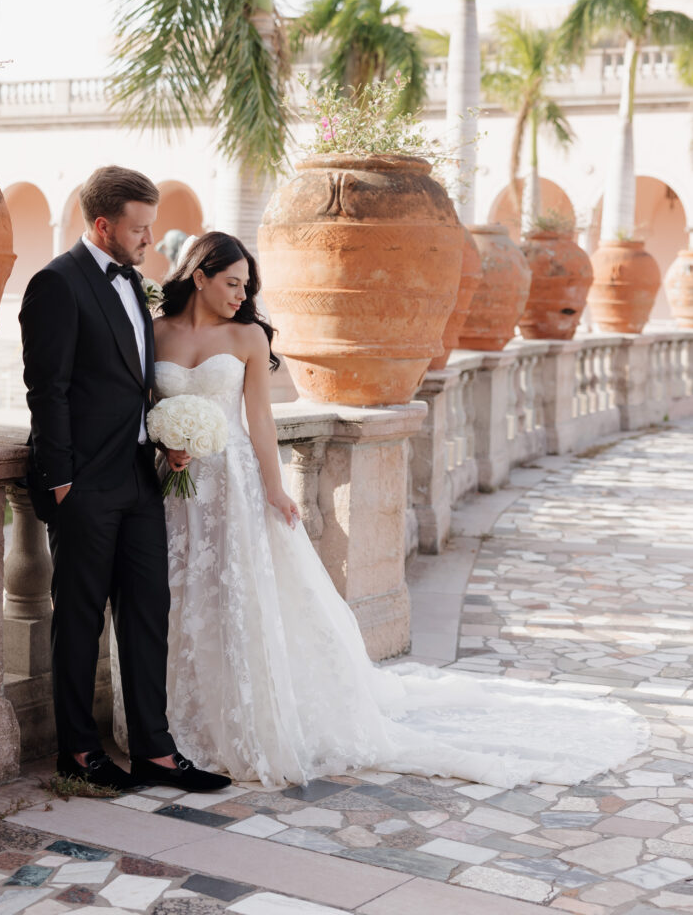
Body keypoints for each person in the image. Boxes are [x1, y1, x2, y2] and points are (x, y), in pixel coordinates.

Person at [153, 231, 650, 789]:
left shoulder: (246, 337)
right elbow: (147, 405)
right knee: (180, 595)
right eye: (232, 283)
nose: (243, 296)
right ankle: (178, 719)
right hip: (176, 483)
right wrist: (166, 443)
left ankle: (240, 721)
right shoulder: (156, 333)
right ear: (199, 278)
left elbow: (261, 421)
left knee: (235, 594)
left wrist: (275, 487)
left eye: (247, 285)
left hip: (237, 486)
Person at [19, 166, 230, 793]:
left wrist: (167, 439)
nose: (149, 239)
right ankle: (78, 753)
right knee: (80, 620)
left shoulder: (135, 284)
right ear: (103, 224)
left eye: (151, 226)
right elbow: (47, 389)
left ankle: (155, 752)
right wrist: (59, 482)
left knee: (148, 613)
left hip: (141, 477)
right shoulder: (56, 283)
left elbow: (132, 384)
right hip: (82, 485)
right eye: (139, 229)